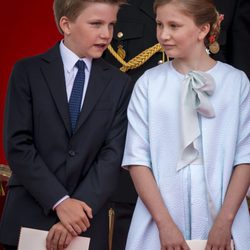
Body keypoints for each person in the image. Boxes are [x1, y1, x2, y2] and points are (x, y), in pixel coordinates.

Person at [103, 0, 250, 248]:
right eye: (160, 24)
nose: (163, 35)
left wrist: (224, 222)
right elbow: (137, 160)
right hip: (158, 224)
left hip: (224, 225)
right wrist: (165, 225)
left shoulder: (236, 83)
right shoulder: (148, 84)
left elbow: (244, 157)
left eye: (174, 26)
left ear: (203, 30)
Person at [0, 0, 132, 250]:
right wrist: (60, 202)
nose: (106, 34)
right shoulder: (27, 72)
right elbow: (18, 145)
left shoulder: (120, 84)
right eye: (96, 24)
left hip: (87, 219)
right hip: (29, 214)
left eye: (111, 25)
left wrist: (77, 210)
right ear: (66, 24)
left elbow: (112, 154)